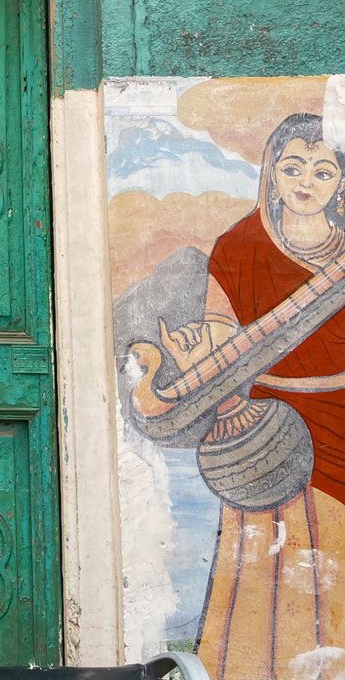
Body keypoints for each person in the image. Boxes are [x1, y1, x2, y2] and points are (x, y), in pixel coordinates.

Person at [160, 114, 345, 680]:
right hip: (264, 429)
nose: (306, 182)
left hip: (340, 420)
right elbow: (222, 336)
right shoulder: (239, 247)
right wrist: (197, 354)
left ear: (341, 180)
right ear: (271, 172)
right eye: (293, 167)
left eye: (323, 170)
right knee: (264, 558)